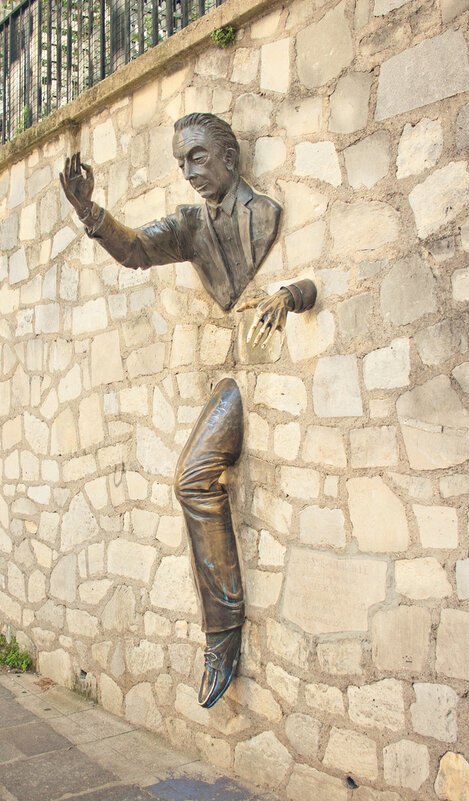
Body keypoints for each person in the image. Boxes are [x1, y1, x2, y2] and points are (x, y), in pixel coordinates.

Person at [61, 112, 316, 708]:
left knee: (191, 481)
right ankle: (222, 632)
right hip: (229, 380)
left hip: (256, 376)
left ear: (230, 153)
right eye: (180, 162)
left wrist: (290, 293)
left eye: (196, 157)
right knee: (191, 480)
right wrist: (90, 213)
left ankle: (222, 634)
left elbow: (311, 285)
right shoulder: (189, 226)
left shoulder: (266, 213)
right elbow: (137, 249)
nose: (188, 171)